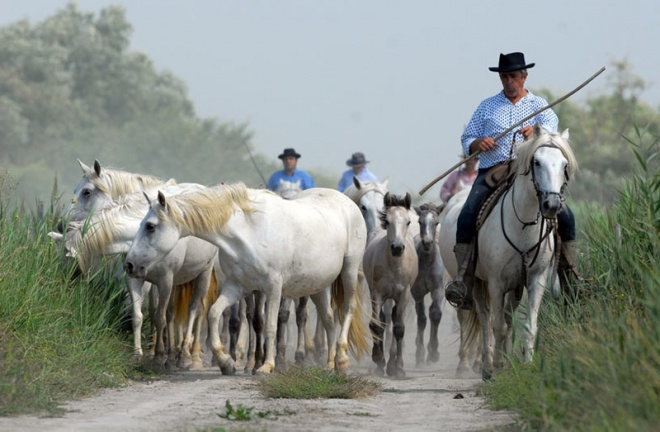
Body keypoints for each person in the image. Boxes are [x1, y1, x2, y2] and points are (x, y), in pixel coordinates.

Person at [445, 52, 584, 310]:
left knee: (567, 217)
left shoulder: (540, 106)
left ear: (524, 77)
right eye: (505, 76)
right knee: (466, 215)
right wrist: (478, 143)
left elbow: (554, 135)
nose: (509, 81)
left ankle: (571, 279)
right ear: (500, 78)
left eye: (514, 76)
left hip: (530, 173)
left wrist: (537, 133)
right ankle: (463, 280)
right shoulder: (486, 106)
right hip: (492, 171)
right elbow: (467, 137)